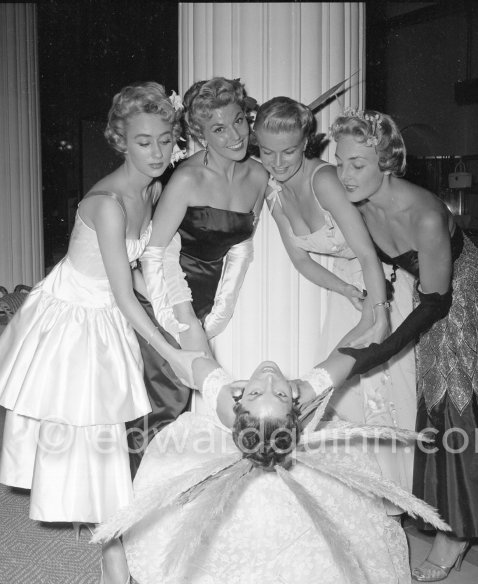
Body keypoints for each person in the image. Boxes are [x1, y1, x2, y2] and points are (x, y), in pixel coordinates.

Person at [331, 108, 478, 581]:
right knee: (436, 406)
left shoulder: (426, 215)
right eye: (340, 161)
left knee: (459, 408)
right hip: (429, 293)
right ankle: (447, 515)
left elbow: (434, 304)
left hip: (466, 300)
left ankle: (456, 532)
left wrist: (371, 356)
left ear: (387, 163)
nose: (344, 174)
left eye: (358, 164)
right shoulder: (355, 195)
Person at [0, 82, 200, 584]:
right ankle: (113, 559)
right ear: (120, 140)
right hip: (72, 318)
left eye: (163, 139)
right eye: (142, 141)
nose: (156, 152)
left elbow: (135, 275)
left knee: (107, 441)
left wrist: (181, 316)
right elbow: (121, 292)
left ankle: (114, 549)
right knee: (88, 441)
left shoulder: (151, 190)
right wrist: (173, 354)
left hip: (106, 311)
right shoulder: (108, 202)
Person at [93, 316, 449, 584]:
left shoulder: (229, 399)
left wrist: (375, 311)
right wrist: (375, 312)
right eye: (273, 392)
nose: (266, 379)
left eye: (267, 392)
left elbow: (186, 347)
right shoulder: (302, 392)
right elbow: (353, 352)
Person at [252, 96, 417, 507]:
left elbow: (365, 252)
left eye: (288, 151)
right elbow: (302, 262)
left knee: (385, 398)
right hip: (350, 288)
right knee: (347, 398)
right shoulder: (273, 195)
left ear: (307, 142)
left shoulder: (324, 178)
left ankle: (397, 502)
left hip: (384, 282)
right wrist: (345, 292)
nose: (277, 162)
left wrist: (377, 313)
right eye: (266, 152)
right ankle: (365, 503)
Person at [127, 77, 268, 472]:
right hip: (163, 295)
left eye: (239, 120)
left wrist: (220, 310)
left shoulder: (258, 176)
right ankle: (136, 515)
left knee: (196, 403)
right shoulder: (186, 179)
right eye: (219, 129)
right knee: (167, 402)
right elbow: (155, 255)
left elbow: (240, 246)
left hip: (207, 300)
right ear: (200, 134)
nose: (236, 135)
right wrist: (182, 316)